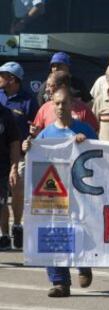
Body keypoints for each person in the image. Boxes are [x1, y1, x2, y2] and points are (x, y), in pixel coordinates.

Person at [22, 88, 96, 298]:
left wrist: (88, 143)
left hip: (82, 193)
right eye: (57, 103)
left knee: (81, 229)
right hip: (53, 193)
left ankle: (83, 264)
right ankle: (59, 281)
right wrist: (29, 146)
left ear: (72, 105)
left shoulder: (85, 129)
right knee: (52, 232)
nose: (61, 107)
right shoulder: (46, 133)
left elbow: (101, 158)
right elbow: (35, 157)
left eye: (64, 103)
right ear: (52, 106)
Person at [0, 61, 38, 250]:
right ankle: (4, 234)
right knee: (0, 198)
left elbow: (36, 127)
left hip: (20, 155)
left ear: (12, 79)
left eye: (2, 75)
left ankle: (17, 225)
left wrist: (31, 136)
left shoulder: (28, 100)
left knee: (17, 189)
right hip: (1, 155)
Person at [32, 71, 98, 134]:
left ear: (62, 86)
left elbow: (94, 134)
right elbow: (39, 136)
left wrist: (83, 138)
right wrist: (35, 132)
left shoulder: (83, 109)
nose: (46, 89)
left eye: (50, 86)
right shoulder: (45, 109)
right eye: (47, 86)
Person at [0, 104, 20, 243]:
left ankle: (5, 235)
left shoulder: (5, 114)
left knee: (1, 205)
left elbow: (14, 143)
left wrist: (14, 167)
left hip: (1, 169)